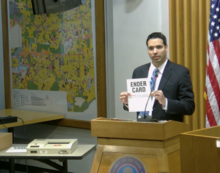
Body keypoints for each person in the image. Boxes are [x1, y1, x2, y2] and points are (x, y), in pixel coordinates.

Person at [119, 32, 195, 122]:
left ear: (166, 48)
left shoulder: (180, 72)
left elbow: (189, 107)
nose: (155, 51)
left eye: (159, 47)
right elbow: (138, 105)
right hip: (142, 129)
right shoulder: (138, 72)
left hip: (168, 131)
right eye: (151, 48)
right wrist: (128, 102)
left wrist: (165, 102)